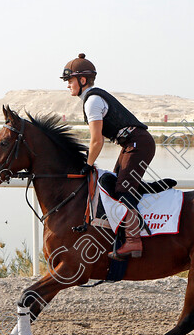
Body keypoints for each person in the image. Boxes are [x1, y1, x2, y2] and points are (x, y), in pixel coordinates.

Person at [61, 53, 156, 260]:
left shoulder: (92, 101)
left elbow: (96, 141)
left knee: (122, 189)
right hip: (132, 143)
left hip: (138, 144)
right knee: (114, 185)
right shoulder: (91, 98)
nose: (68, 85)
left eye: (70, 80)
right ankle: (124, 234)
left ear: (82, 80)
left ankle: (133, 241)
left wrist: (88, 164)